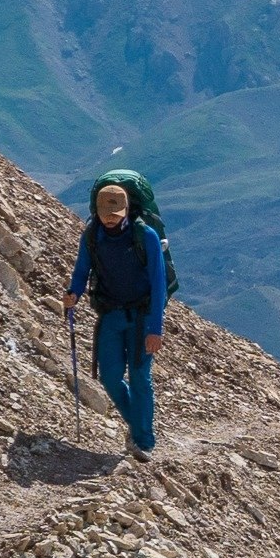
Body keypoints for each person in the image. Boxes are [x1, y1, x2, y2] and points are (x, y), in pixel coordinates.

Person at [64, 180, 169, 459]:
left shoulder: (145, 236)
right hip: (110, 314)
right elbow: (81, 270)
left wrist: (155, 329)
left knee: (139, 378)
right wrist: (73, 292)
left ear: (126, 210)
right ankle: (138, 427)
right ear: (96, 211)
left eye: (116, 214)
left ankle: (143, 442)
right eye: (105, 214)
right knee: (110, 377)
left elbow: (158, 285)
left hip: (141, 315)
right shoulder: (91, 236)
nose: (110, 219)